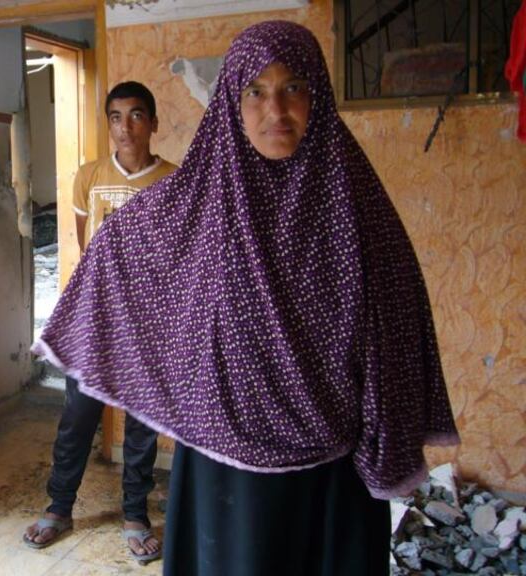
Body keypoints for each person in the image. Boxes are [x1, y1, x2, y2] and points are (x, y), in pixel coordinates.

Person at [31, 21, 460, 576]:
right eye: (254, 91)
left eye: (293, 89)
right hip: (223, 467)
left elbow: (399, 331)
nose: (274, 110)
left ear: (319, 98)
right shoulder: (197, 205)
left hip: (331, 475)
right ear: (231, 103)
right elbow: (115, 244)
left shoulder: (362, 211)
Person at [23, 81, 178, 565]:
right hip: (96, 322)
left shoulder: (175, 179)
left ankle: (135, 515)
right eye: (115, 117)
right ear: (107, 123)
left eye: (136, 116)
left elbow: (176, 259)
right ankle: (59, 508)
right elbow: (91, 254)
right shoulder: (87, 177)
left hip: (149, 323)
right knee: (77, 418)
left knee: (141, 426)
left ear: (153, 123)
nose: (125, 127)